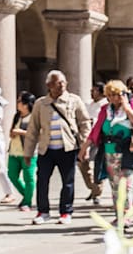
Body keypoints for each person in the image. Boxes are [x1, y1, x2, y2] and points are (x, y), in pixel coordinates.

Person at [24, 71, 94, 224]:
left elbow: (84, 124)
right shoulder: (41, 103)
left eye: (63, 81)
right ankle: (43, 211)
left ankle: (66, 212)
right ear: (49, 85)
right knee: (42, 181)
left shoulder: (74, 100)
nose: (62, 85)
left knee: (68, 182)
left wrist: (85, 147)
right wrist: (28, 152)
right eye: (58, 82)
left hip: (67, 148)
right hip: (46, 149)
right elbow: (33, 129)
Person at [83, 80, 133, 215]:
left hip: (128, 151)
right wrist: (85, 147)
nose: (113, 98)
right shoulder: (105, 109)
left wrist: (127, 107)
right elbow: (96, 129)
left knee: (126, 186)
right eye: (110, 95)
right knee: (115, 186)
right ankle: (119, 215)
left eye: (116, 94)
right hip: (110, 151)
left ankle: (126, 216)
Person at [6, 92, 38, 211]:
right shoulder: (17, 116)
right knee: (12, 175)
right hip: (14, 151)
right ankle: (27, 195)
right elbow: (12, 131)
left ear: (26, 104)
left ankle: (27, 202)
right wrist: (12, 133)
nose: (17, 103)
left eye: (19, 101)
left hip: (29, 152)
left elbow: (38, 134)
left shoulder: (34, 117)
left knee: (28, 177)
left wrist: (21, 132)